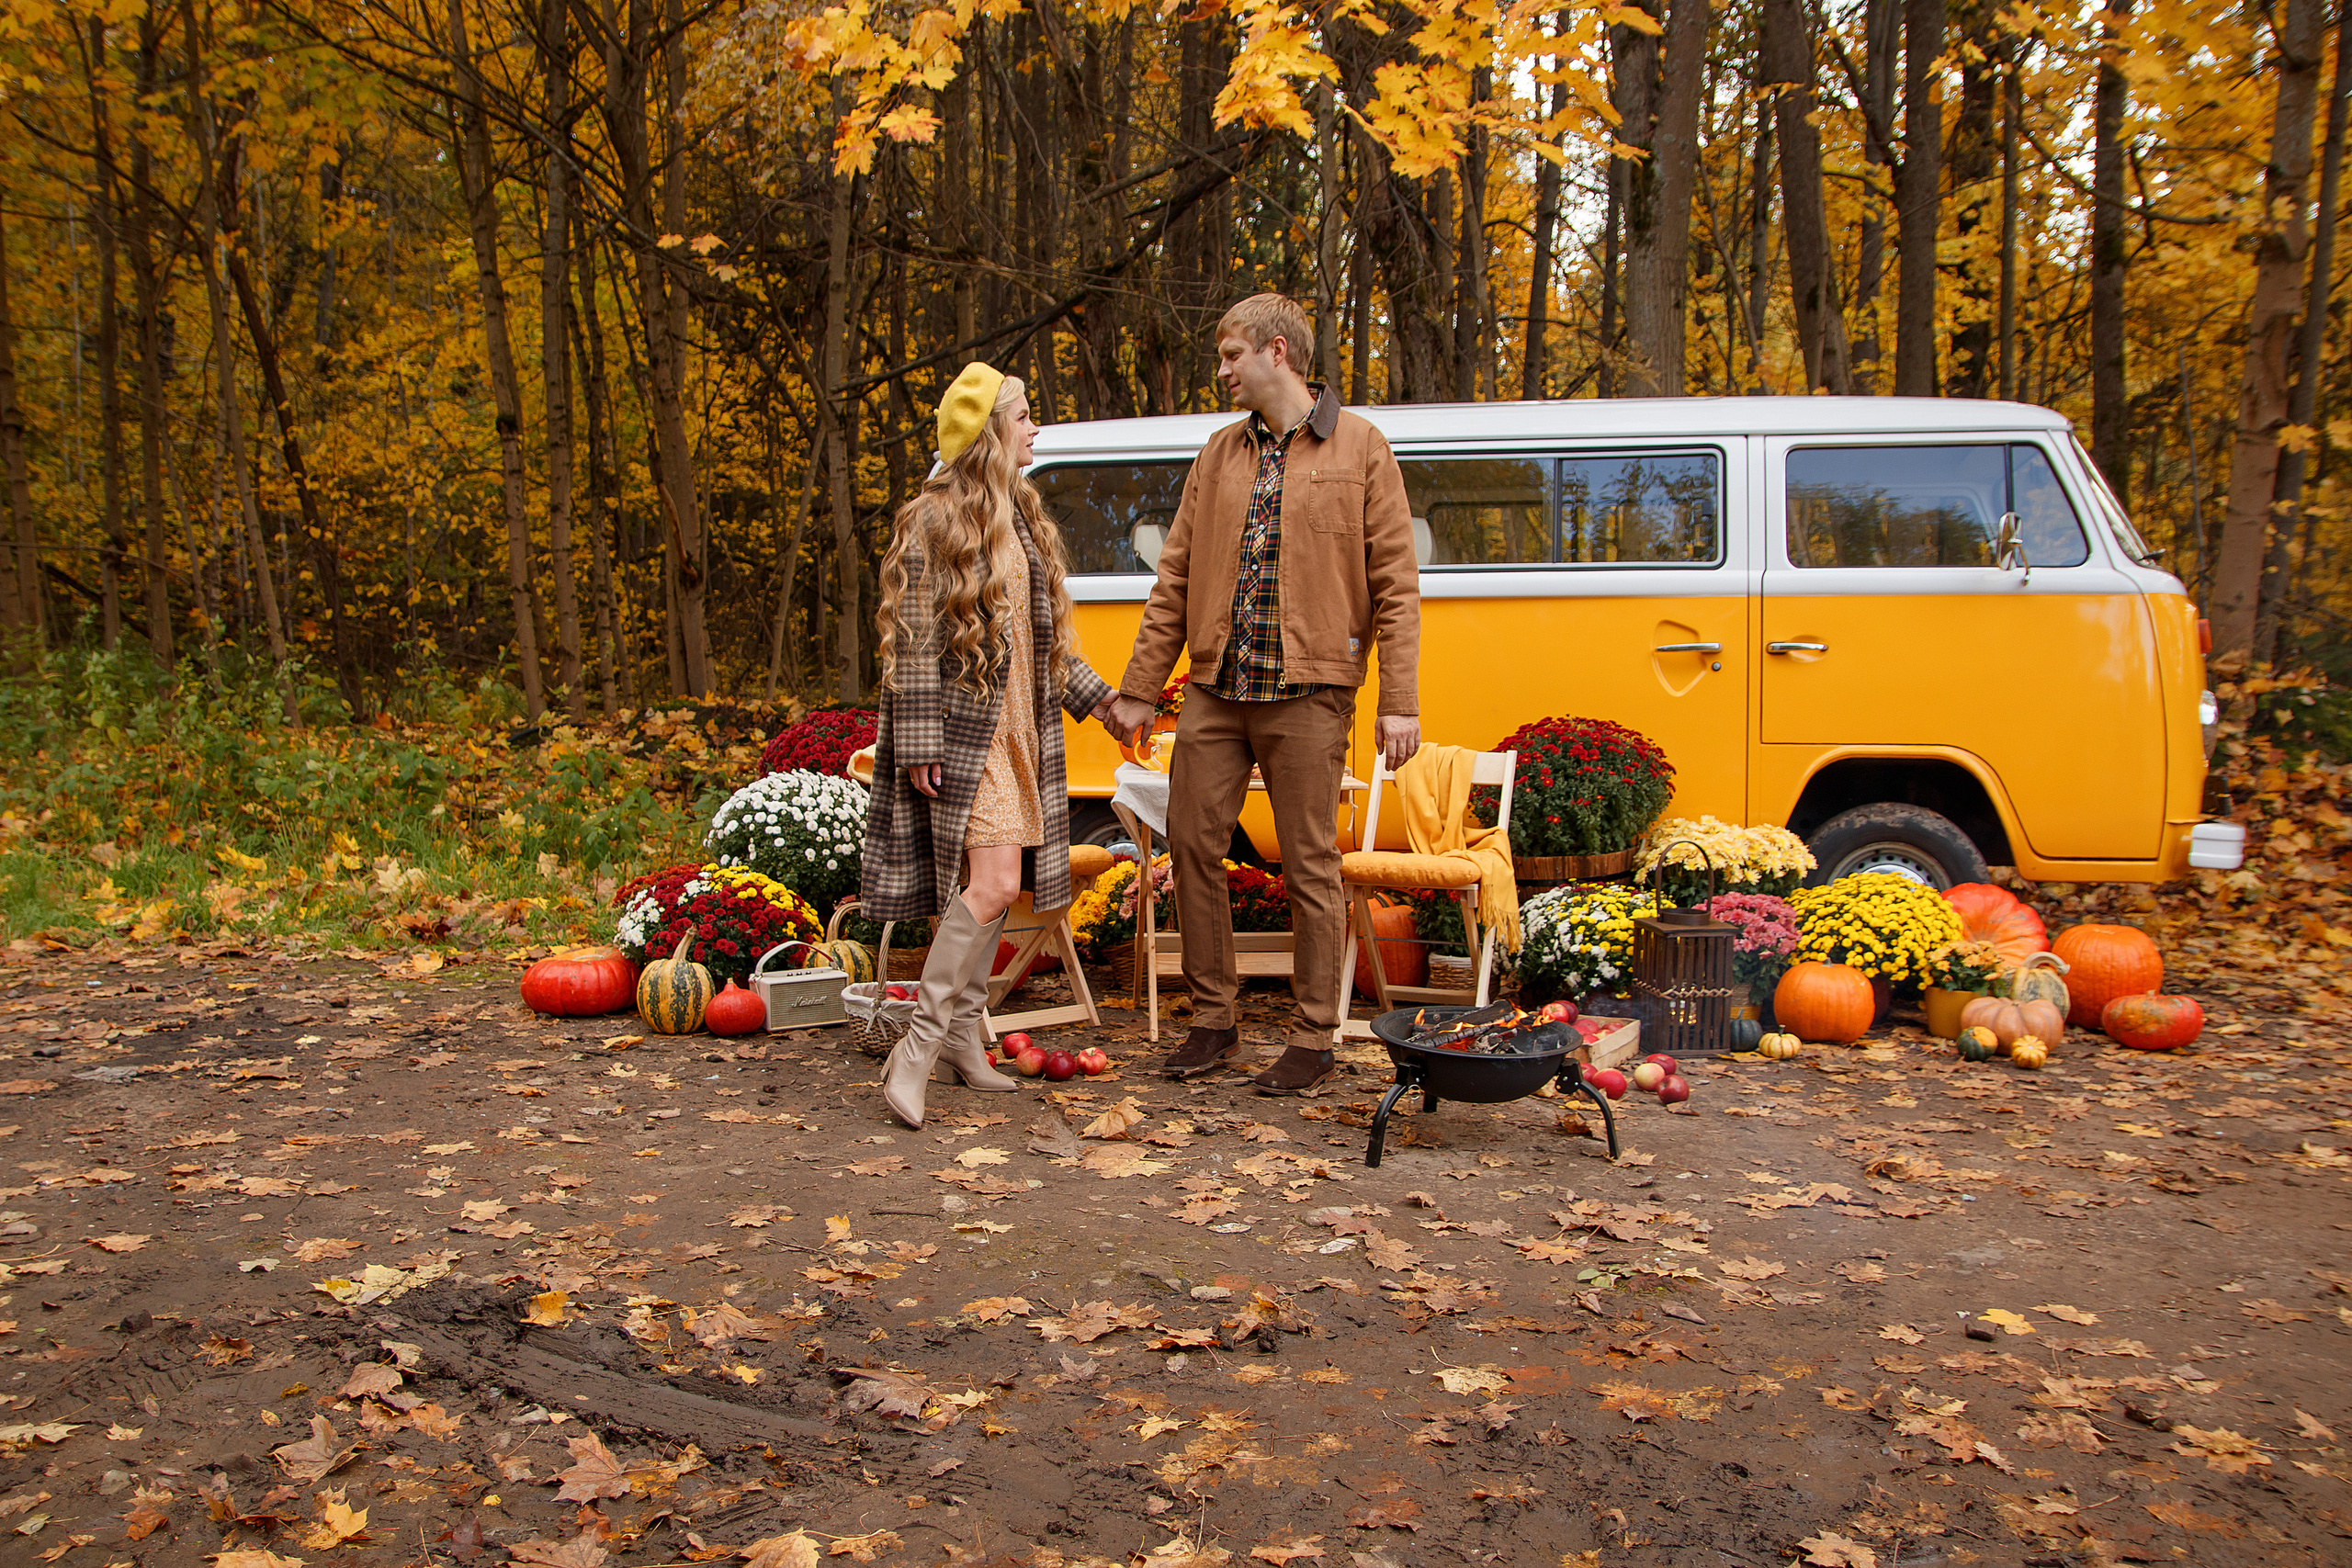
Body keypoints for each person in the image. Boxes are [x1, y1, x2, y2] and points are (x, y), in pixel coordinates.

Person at [1107, 294, 1421, 1095]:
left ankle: (1316, 1034)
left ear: (1278, 353)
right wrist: (1142, 688)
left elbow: (1397, 586)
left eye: (1231, 355)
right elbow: (1174, 576)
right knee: (1189, 843)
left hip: (1310, 691)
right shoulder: (1218, 455)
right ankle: (1214, 1019)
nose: (1222, 370)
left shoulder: (1361, 448)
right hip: (1216, 688)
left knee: (1308, 863)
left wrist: (1400, 700)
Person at [864, 364, 1123, 1129]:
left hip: (1021, 734)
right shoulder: (934, 519)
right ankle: (915, 1047)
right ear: (988, 433)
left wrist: (1104, 700)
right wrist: (915, 740)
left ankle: (962, 1045)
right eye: (1023, 414)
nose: (1035, 426)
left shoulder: (1023, 518)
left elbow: (1047, 647)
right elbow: (909, 639)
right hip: (963, 735)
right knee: (990, 884)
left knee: (999, 890)